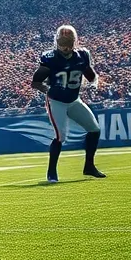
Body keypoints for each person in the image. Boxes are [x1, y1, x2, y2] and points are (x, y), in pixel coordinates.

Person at [31, 24, 106, 183]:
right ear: (56, 42)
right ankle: (51, 172)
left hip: (73, 100)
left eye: (68, 45)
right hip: (56, 101)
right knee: (61, 136)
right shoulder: (49, 58)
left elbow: (90, 75)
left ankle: (89, 167)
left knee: (94, 129)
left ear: (74, 42)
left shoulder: (82, 55)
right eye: (62, 45)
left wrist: (94, 82)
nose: (65, 48)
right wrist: (50, 90)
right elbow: (36, 82)